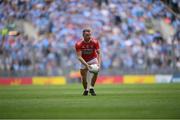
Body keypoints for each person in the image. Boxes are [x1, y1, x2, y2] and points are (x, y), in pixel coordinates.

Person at [75, 29, 101, 96]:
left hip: (93, 58)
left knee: (96, 71)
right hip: (84, 60)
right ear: (83, 35)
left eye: (89, 35)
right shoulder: (79, 44)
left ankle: (91, 88)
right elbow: (79, 57)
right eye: (87, 35)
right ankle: (86, 89)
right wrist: (86, 65)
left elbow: (99, 53)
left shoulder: (95, 42)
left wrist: (99, 63)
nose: (89, 36)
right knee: (83, 77)